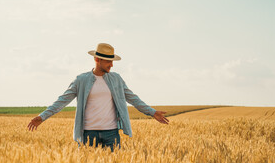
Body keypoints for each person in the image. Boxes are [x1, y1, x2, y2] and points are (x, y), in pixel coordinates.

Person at [27, 43, 169, 151]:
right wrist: (42, 117)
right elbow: (61, 101)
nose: (111, 65)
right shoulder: (81, 80)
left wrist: (152, 112)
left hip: (111, 134)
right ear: (97, 59)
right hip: (88, 134)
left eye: (112, 61)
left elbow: (133, 98)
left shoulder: (116, 79)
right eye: (108, 61)